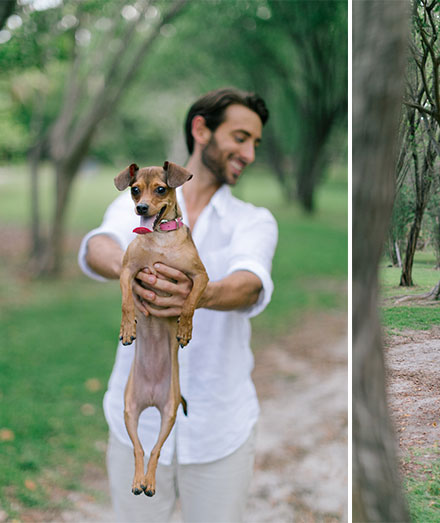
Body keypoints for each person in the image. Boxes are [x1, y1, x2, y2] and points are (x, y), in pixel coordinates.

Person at [78, 87, 278, 522]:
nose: (249, 153)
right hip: (134, 415)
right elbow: (98, 245)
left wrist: (198, 294)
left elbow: (250, 283)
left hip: (220, 427)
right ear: (201, 130)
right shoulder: (144, 198)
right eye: (241, 137)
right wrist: (133, 269)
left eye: (255, 144)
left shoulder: (253, 220)